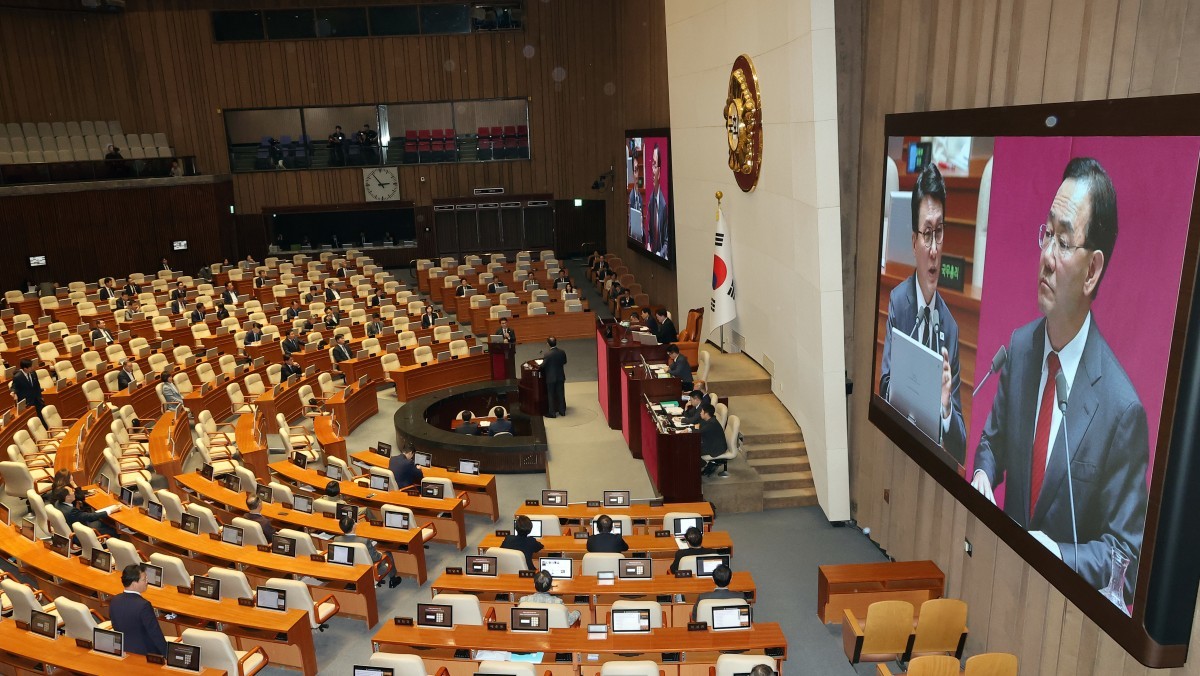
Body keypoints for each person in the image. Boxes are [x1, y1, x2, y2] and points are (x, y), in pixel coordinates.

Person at [971, 157, 1147, 606]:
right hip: (995, 580)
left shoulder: (1121, 410)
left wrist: (1057, 556)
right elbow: (993, 441)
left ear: (1092, 271)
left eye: (1064, 241)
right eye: (1046, 233)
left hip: (1060, 614)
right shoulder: (1022, 349)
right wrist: (982, 475)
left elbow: (1124, 555)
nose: (1046, 257)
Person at [877, 163, 967, 465]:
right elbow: (884, 385)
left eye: (939, 233)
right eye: (927, 234)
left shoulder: (951, 329)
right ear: (914, 241)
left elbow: (961, 446)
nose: (933, 249)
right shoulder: (899, 303)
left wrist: (945, 410)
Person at [110, 564, 169, 656]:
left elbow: (115, 626)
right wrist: (167, 654)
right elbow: (155, 634)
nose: (147, 582)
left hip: (123, 650)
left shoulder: (114, 600)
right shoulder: (144, 605)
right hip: (145, 653)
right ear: (134, 584)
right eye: (144, 579)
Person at [334, 515, 401, 588]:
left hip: (353, 569)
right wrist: (379, 553)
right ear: (354, 526)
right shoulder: (364, 541)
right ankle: (393, 580)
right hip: (372, 570)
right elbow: (376, 558)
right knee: (387, 553)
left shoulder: (337, 539)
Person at [50, 486, 118, 538]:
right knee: (113, 531)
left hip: (73, 528)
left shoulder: (58, 503)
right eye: (72, 491)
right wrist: (110, 510)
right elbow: (90, 517)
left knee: (101, 522)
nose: (74, 492)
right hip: (80, 535)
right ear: (67, 497)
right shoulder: (71, 511)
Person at [696, 404, 727, 476]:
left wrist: (689, 430)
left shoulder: (711, 424)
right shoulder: (709, 419)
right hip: (710, 442)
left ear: (706, 414)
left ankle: (704, 465)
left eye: (702, 411)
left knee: (692, 451)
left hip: (716, 448)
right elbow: (700, 427)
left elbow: (698, 432)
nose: (700, 413)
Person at [542, 336, 567, 418]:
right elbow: (564, 361)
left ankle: (552, 413)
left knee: (551, 395)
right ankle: (562, 411)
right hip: (560, 376)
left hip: (551, 378)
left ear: (548, 344)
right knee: (560, 393)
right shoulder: (562, 352)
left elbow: (543, 366)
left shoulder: (547, 354)